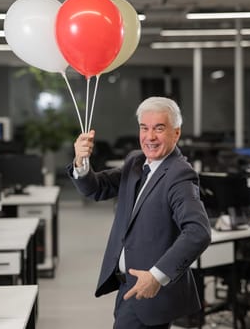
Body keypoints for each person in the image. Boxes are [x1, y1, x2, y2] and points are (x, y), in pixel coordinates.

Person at [67, 96, 211, 329]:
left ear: (176, 133)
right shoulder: (136, 161)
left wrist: (156, 276)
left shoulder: (179, 175)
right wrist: (81, 162)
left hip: (149, 292)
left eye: (159, 128)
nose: (150, 137)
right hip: (128, 288)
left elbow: (198, 232)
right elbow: (97, 188)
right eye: (144, 128)